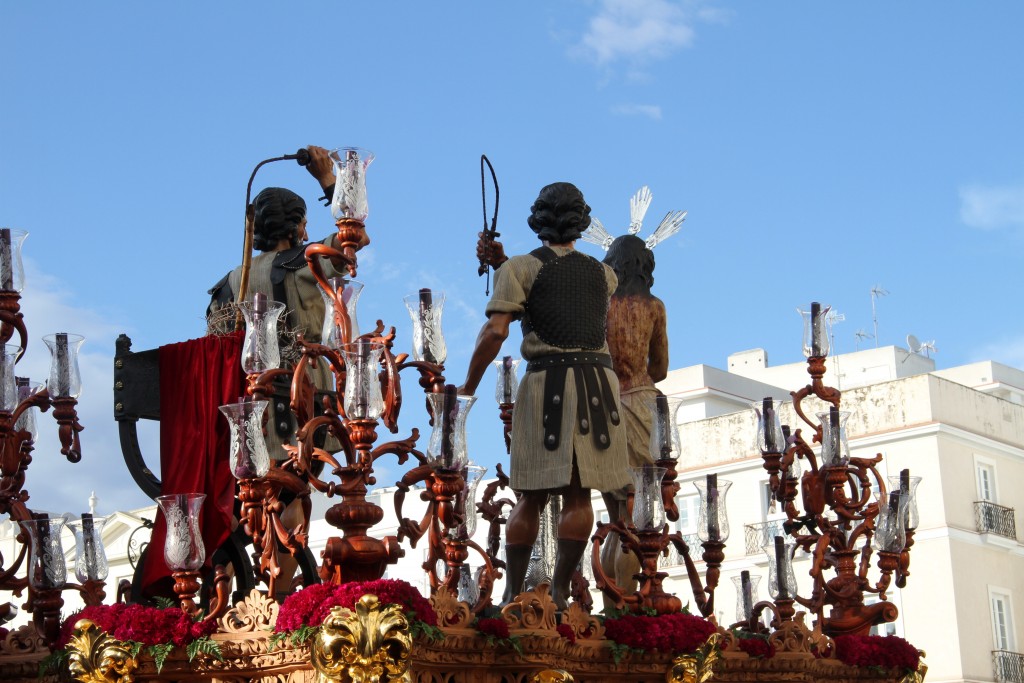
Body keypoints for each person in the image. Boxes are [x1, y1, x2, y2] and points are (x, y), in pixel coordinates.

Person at [459, 182, 628, 611]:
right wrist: (504, 265)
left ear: (537, 220)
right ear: (582, 221)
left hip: (547, 382)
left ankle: (511, 597)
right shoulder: (605, 275)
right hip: (598, 385)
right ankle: (560, 592)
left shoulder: (521, 268)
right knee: (579, 495)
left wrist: (467, 388)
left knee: (531, 495)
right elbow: (560, 290)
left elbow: (497, 331)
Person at [207, 146, 349, 458]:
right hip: (305, 403)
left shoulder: (227, 283)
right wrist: (328, 178)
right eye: (303, 224)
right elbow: (354, 237)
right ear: (293, 226)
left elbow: (214, 352)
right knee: (302, 482)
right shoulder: (306, 260)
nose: (306, 234)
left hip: (246, 418)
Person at [599, 234, 669, 602]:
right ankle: (629, 604)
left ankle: (612, 606)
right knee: (637, 514)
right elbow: (661, 367)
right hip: (642, 402)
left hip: (605, 405)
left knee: (616, 516)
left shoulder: (601, 305)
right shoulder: (654, 306)